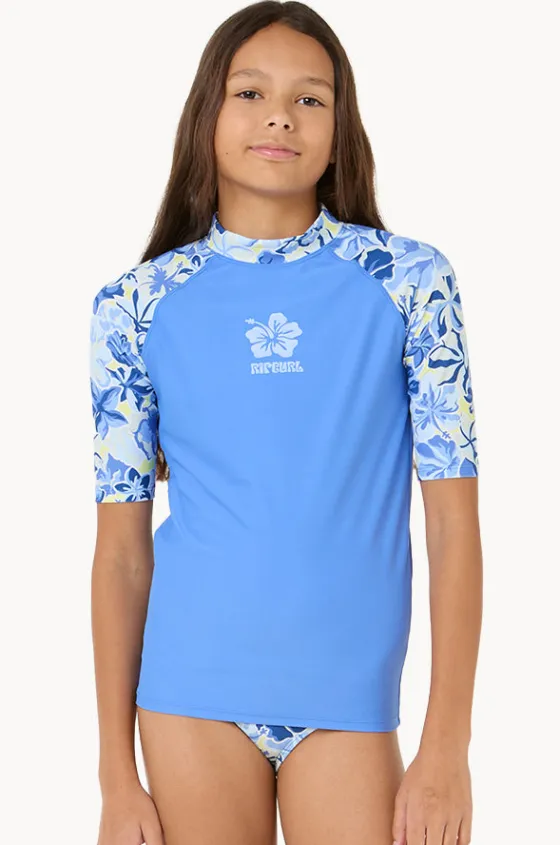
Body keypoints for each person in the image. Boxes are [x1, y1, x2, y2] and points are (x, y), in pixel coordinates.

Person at [89, 2, 483, 844]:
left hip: (349, 696)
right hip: (189, 691)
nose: (280, 116)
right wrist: (116, 776)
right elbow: (121, 550)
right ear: (208, 115)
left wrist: (448, 745)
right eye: (250, 93)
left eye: (310, 98)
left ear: (341, 132)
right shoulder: (133, 307)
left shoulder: (411, 284)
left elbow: (453, 525)